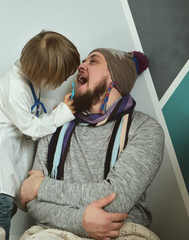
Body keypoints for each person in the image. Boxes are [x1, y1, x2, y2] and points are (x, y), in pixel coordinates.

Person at [20, 48, 165, 240]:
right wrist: (80, 221)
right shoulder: (54, 123)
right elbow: (33, 203)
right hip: (57, 230)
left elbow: (115, 199)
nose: (80, 66)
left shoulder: (145, 128)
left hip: (123, 231)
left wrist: (41, 187)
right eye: (83, 61)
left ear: (115, 78)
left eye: (93, 61)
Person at [0, 30, 80, 240]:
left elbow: (32, 106)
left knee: (8, 202)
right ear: (45, 74)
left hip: (7, 142)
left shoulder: (27, 77)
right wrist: (61, 114)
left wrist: (53, 108)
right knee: (2, 203)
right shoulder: (15, 87)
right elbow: (30, 128)